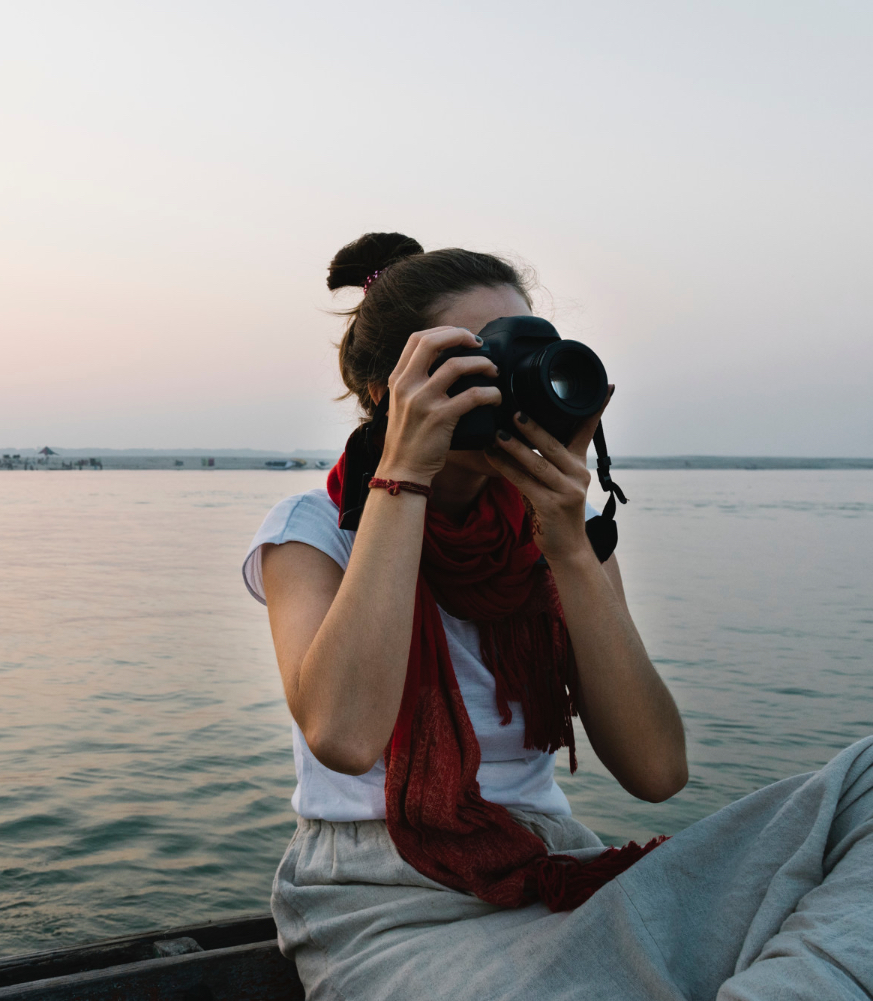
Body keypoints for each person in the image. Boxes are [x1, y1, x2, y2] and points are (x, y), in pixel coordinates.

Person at [243, 232, 873, 1000]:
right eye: (474, 359)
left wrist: (571, 547)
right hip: (389, 906)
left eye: (520, 354)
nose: (505, 383)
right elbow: (344, 735)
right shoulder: (315, 529)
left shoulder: (556, 536)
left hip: (556, 876)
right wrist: (402, 473)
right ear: (391, 389)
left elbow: (656, 770)